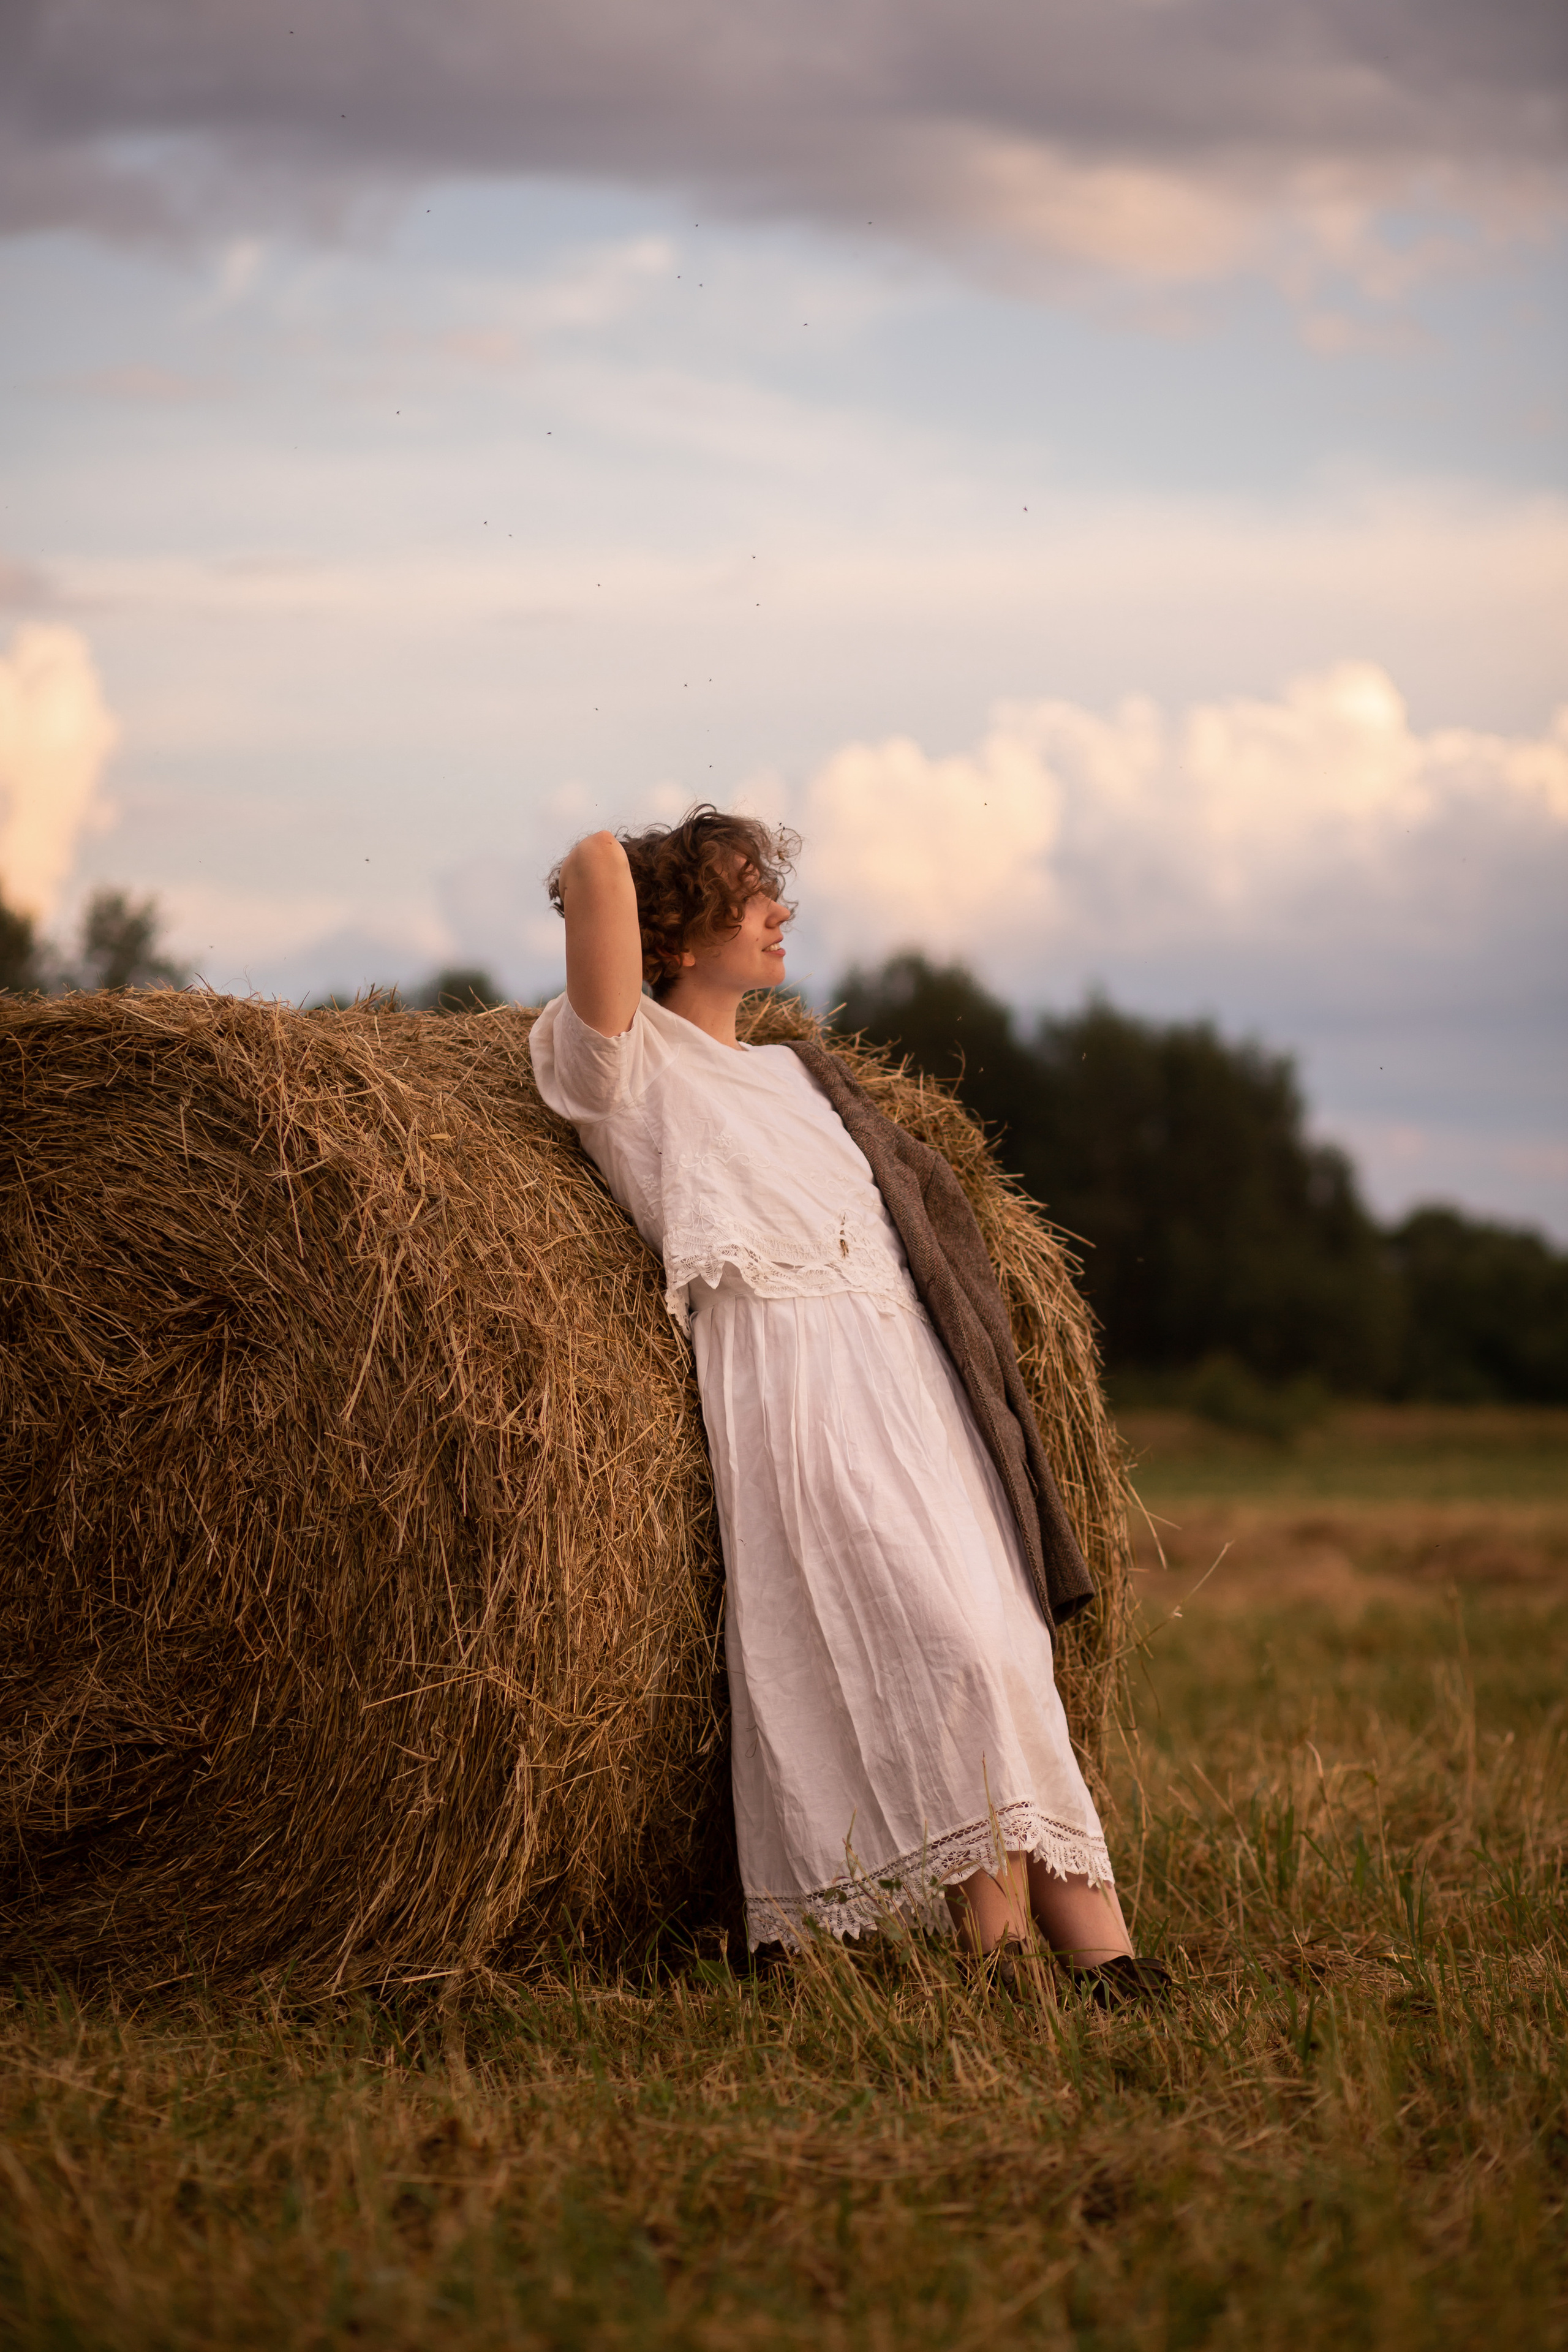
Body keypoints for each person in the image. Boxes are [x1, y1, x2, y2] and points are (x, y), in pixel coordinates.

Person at [532, 805, 1157, 1992]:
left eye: (775, 891)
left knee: (1007, 1655)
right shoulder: (611, 1065)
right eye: (746, 893)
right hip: (794, 1381)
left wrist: (712, 875)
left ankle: (1110, 1964)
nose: (780, 912)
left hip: (908, 1380)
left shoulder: (791, 1074)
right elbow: (595, 866)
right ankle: (995, 1957)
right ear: (670, 931)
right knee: (943, 1649)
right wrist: (657, 865)